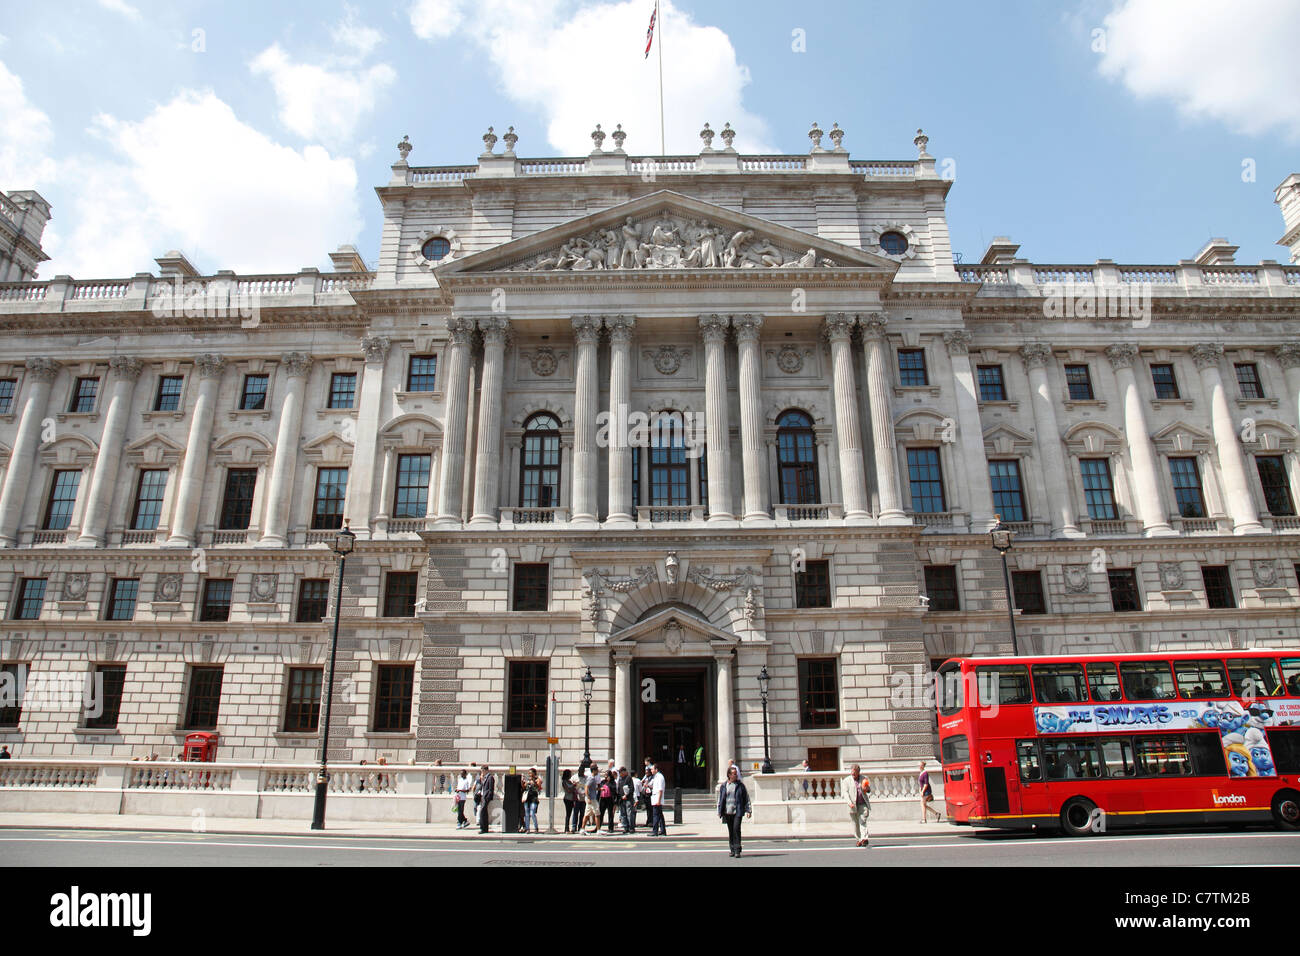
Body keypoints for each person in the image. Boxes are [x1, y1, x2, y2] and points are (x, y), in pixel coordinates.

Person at [717, 764, 752, 857]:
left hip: (738, 811)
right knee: (731, 831)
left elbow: (746, 798)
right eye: (733, 774)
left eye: (736, 774)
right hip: (727, 811)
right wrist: (719, 811)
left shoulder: (740, 786)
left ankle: (737, 850)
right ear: (729, 775)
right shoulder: (724, 786)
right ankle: (732, 849)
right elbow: (720, 799)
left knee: (736, 829)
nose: (735, 775)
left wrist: (748, 810)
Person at [844, 763, 870, 847]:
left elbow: (869, 790)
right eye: (852, 773)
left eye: (855, 773)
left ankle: (864, 839)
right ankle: (859, 839)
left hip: (862, 803)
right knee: (855, 824)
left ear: (858, 772)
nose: (853, 774)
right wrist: (849, 803)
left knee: (863, 821)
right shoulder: (846, 780)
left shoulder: (864, 779)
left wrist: (867, 788)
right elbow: (845, 793)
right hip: (853, 805)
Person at [617, 766, 637, 833]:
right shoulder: (620, 779)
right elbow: (619, 789)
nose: (620, 774)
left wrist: (626, 795)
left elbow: (631, 789)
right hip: (622, 799)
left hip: (628, 799)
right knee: (623, 814)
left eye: (621, 772)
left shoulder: (628, 778)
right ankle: (626, 827)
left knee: (629, 813)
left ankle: (631, 827)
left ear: (624, 772)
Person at [522, 767, 542, 833]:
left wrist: (534, 783)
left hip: (534, 798)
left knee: (532, 813)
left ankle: (536, 827)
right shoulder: (527, 780)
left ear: (534, 773)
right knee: (526, 814)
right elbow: (524, 787)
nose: (529, 774)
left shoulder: (537, 779)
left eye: (531, 773)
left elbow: (539, 787)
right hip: (527, 798)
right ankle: (527, 828)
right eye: (529, 773)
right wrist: (523, 782)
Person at [650, 763, 667, 836]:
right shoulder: (655, 777)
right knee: (660, 816)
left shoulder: (660, 777)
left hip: (657, 799)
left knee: (655, 816)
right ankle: (663, 831)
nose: (651, 770)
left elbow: (660, 790)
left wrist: (659, 801)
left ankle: (655, 831)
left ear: (656, 769)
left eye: (652, 769)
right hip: (655, 798)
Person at [583, 765, 602, 833]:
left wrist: (599, 789)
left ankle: (582, 829)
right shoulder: (591, 778)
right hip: (592, 799)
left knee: (587, 814)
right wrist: (588, 798)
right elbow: (586, 787)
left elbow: (592, 788)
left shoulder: (592, 778)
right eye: (597, 770)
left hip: (591, 798)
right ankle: (598, 830)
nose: (597, 771)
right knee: (597, 814)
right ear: (594, 770)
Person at [477, 765, 495, 833]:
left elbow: (491, 789)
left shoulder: (490, 778)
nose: (482, 772)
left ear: (486, 770)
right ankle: (484, 828)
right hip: (483, 796)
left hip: (486, 797)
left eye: (482, 771)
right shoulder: (484, 778)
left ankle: (483, 828)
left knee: (482, 812)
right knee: (484, 813)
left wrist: (488, 797)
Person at [571, 768, 587, 834]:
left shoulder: (586, 778)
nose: (582, 773)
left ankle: (580, 827)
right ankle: (574, 827)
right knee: (575, 813)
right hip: (576, 798)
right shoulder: (574, 777)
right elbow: (570, 785)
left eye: (583, 771)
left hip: (584, 798)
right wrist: (574, 785)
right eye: (580, 771)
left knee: (582, 814)